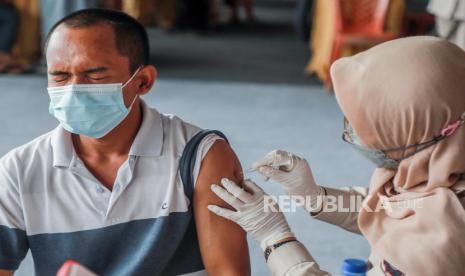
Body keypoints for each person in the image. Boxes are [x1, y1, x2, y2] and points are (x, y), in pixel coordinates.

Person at [0, 9, 250, 276]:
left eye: (94, 76)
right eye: (60, 76)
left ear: (143, 81)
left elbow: (228, 273)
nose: (73, 89)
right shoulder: (19, 170)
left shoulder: (200, 156)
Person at [209, 36, 465, 275]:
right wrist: (315, 197)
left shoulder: (432, 245)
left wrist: (274, 238)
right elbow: (391, 206)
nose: (354, 132)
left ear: (419, 129)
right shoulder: (440, 163)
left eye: (371, 124)